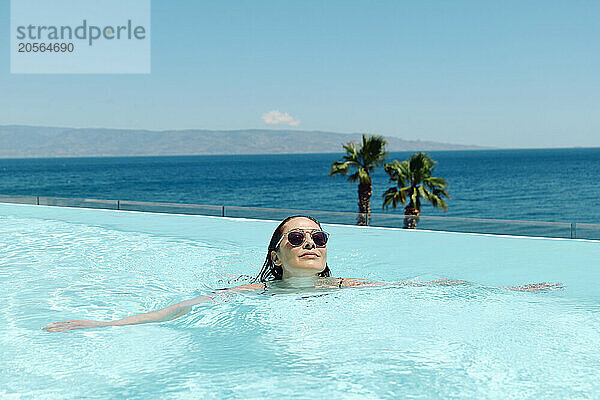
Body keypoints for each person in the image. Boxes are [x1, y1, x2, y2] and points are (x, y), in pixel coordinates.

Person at [43, 215, 562, 332]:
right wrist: (102, 325)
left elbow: (426, 290)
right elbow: (177, 310)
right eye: (297, 237)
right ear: (276, 253)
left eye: (317, 237)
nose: (310, 243)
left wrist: (507, 292)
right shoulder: (249, 293)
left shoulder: (347, 289)